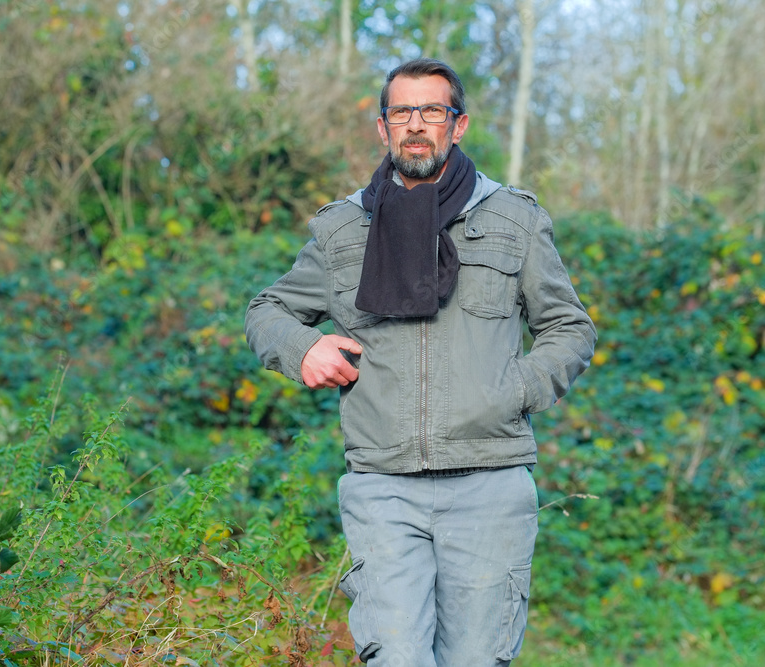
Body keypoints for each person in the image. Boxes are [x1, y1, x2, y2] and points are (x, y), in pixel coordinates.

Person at [244, 58, 596, 666]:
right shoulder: (342, 230)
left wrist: (514, 389)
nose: (416, 124)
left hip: (489, 481)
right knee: (395, 657)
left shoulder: (513, 218)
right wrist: (305, 348)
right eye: (401, 112)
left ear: (456, 125)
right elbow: (267, 309)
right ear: (383, 128)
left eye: (432, 111)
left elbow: (570, 327)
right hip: (382, 486)